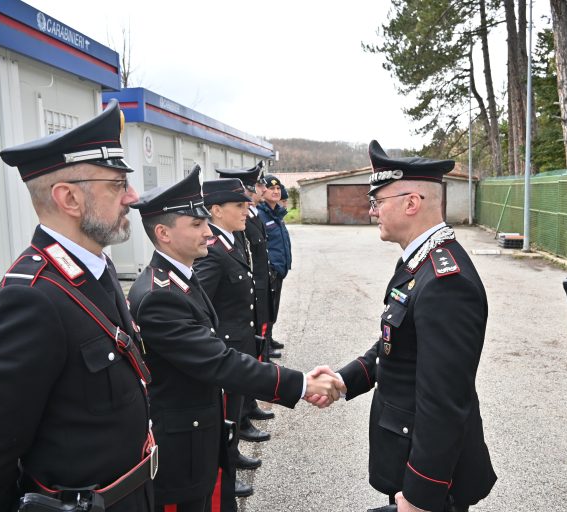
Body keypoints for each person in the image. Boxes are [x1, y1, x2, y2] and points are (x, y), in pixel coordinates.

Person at [0, 100, 156, 512]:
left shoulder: (96, 268)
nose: (132, 197)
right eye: (116, 185)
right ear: (69, 199)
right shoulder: (30, 299)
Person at [126, 167, 344, 512]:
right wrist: (301, 383)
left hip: (202, 430)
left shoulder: (178, 278)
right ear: (164, 233)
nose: (207, 233)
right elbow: (217, 360)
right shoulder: (158, 296)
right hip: (182, 447)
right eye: (196, 226)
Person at [322, 140, 497, 512]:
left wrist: (421, 494)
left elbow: (444, 402)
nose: (373, 212)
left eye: (378, 202)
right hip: (406, 450)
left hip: (429, 477)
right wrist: (345, 379)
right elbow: (396, 343)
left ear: (411, 203)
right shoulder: (420, 262)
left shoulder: (446, 281)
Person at [194, 178, 261, 507]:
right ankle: (226, 481)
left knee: (233, 418)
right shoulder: (212, 253)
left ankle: (232, 462)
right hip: (225, 351)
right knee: (225, 422)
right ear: (216, 211)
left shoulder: (231, 242)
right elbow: (201, 308)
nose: (246, 211)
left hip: (239, 347)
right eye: (239, 206)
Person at [215, 163, 276, 441]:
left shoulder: (236, 228)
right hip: (232, 325)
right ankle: (238, 426)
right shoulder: (216, 245)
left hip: (249, 305)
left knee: (250, 360)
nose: (248, 204)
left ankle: (246, 410)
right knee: (232, 389)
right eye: (240, 202)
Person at [257, 174, 292, 354]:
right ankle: (265, 345)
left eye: (278, 188)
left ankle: (269, 338)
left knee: (274, 307)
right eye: (271, 188)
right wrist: (269, 266)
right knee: (266, 309)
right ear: (263, 191)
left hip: (279, 269)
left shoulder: (277, 213)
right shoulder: (260, 214)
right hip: (269, 270)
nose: (276, 191)